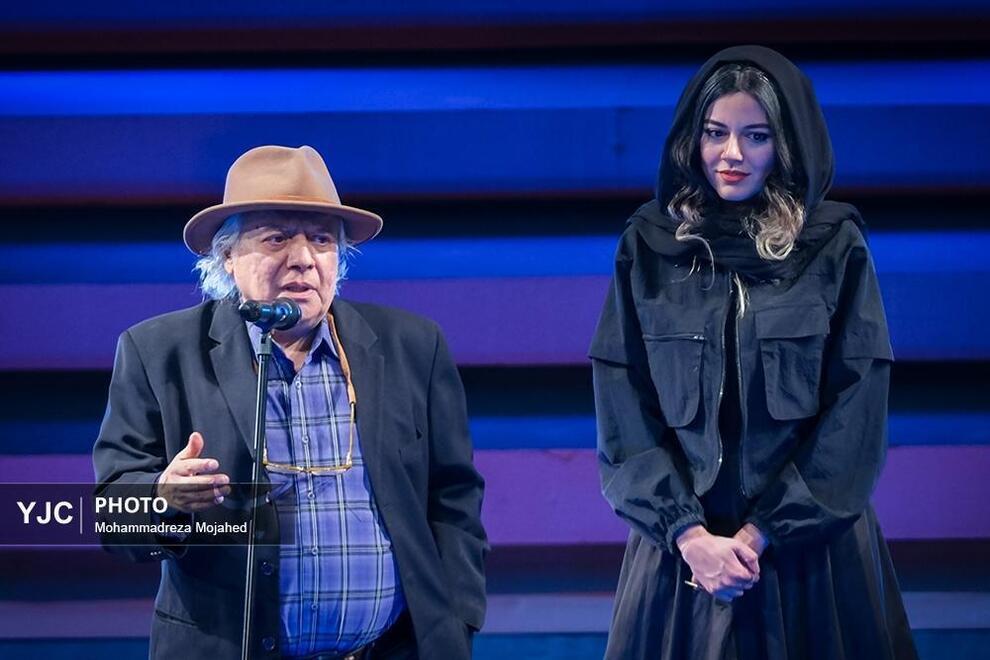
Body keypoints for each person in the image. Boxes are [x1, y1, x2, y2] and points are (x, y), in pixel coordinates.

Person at [93, 145, 487, 659]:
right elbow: (111, 515)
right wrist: (163, 499)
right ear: (227, 256)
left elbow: (454, 497)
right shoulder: (157, 351)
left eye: (321, 239)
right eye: (276, 237)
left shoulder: (411, 345)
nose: (303, 257)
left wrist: (458, 618)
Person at [589, 46, 919, 659]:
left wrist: (762, 534)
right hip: (683, 558)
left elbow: (857, 409)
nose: (732, 154)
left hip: (811, 558)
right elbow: (622, 404)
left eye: (756, 136)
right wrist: (688, 535)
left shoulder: (834, 246)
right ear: (691, 140)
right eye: (715, 133)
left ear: (786, 145)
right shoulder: (649, 246)